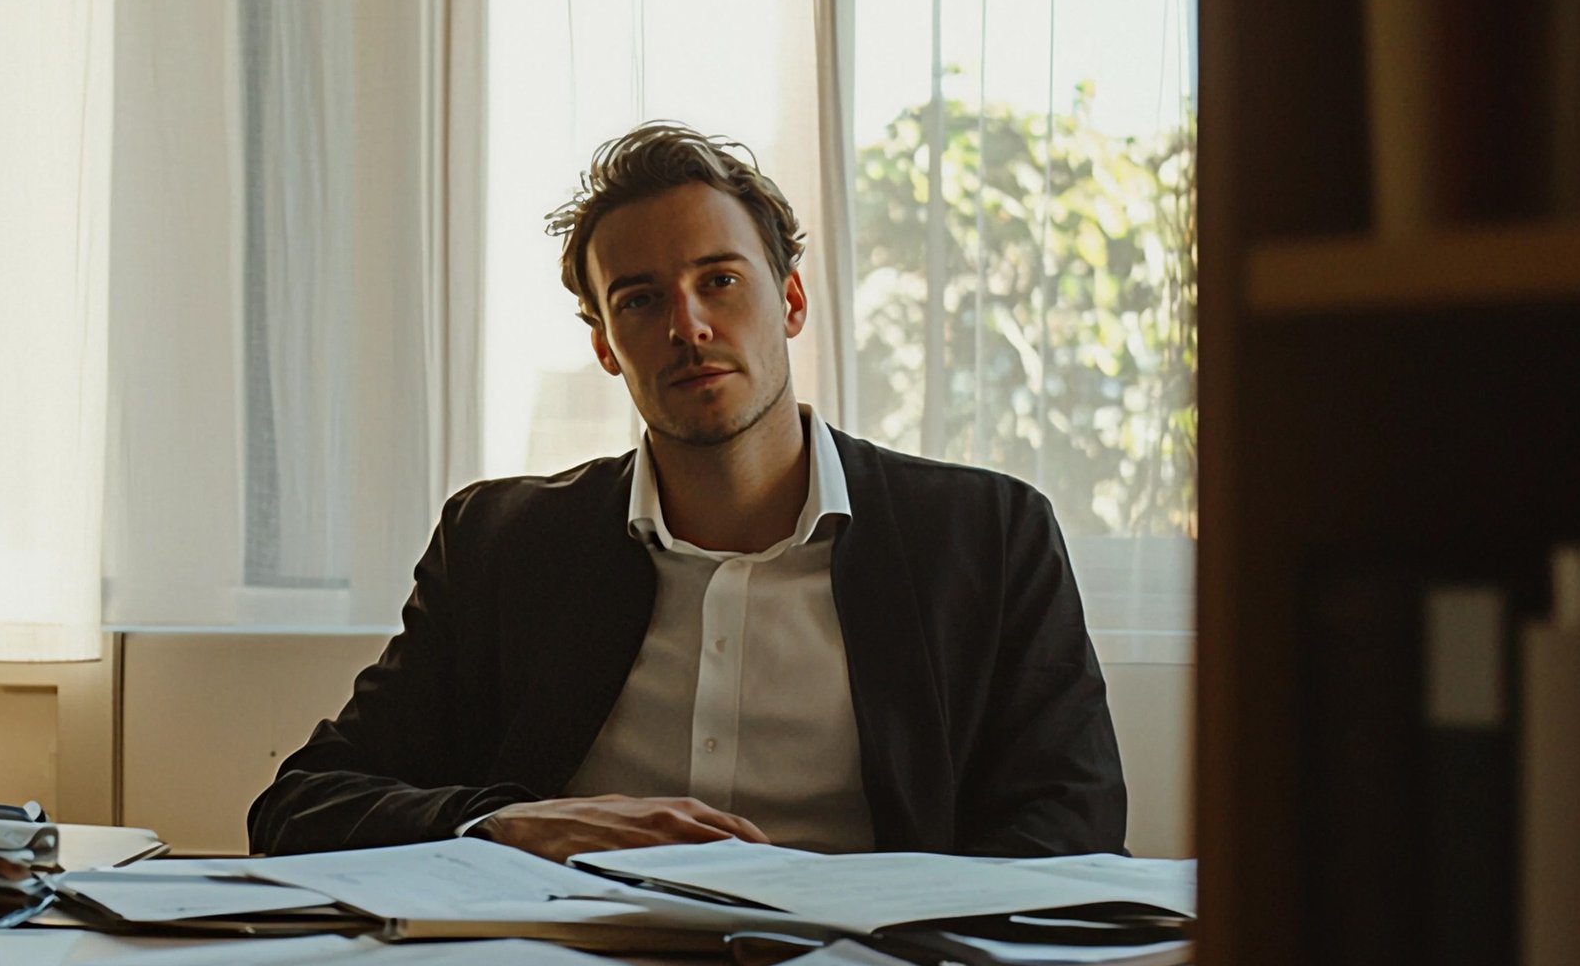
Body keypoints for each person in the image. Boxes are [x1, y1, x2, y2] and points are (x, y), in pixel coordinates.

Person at [247, 122, 1124, 861]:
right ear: (604, 345)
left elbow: (1072, 831)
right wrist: (509, 824)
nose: (687, 326)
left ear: (790, 301)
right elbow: (303, 805)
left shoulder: (989, 534)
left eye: (720, 281)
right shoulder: (500, 543)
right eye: (639, 300)